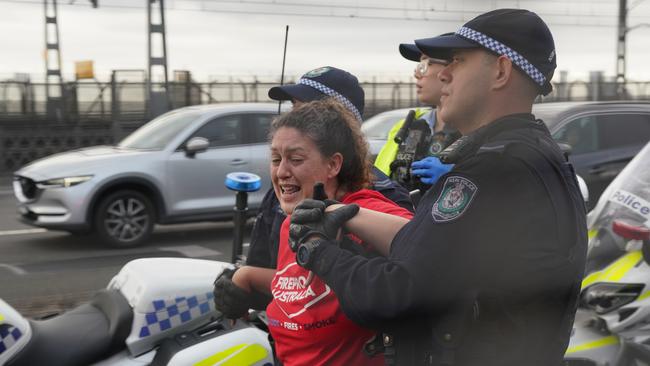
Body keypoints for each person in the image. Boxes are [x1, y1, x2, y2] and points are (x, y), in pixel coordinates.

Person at [289, 9, 587, 366]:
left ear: (501, 71)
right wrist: (341, 214)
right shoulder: (535, 155)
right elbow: (431, 248)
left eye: (457, 61)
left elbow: (396, 295)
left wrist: (316, 250)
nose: (442, 74)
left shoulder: (491, 171)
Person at [215, 99, 413, 365]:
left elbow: (427, 244)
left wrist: (338, 215)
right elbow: (304, 287)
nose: (281, 172)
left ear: (333, 165)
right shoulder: (294, 221)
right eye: (276, 159)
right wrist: (246, 276)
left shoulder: (364, 209)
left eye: (296, 159)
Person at [246, 66, 413, 272]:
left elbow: (415, 266)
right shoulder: (282, 192)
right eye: (293, 107)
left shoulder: (385, 197)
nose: (295, 118)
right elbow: (272, 272)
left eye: (310, 111)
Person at [374, 36, 460, 190]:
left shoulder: (481, 128)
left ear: (454, 68)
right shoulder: (408, 125)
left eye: (425, 64)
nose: (417, 74)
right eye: (419, 65)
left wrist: (457, 177)